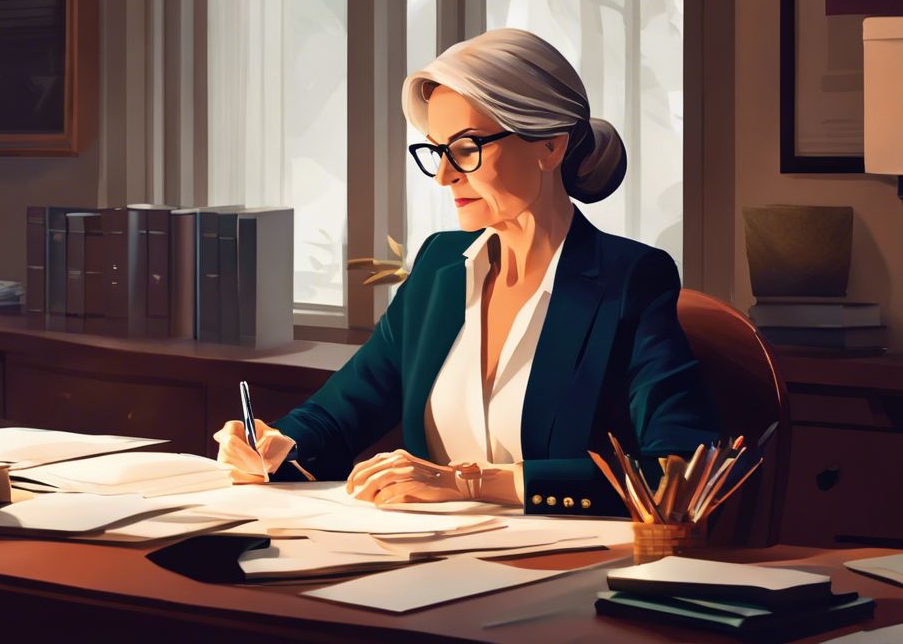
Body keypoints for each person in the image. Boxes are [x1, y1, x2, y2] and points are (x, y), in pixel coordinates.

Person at [213, 28, 719, 516]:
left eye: (467, 147)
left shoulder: (630, 279)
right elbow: (338, 415)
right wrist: (275, 446)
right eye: (436, 149)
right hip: (429, 565)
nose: (444, 174)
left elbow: (681, 472)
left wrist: (469, 482)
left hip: (560, 570)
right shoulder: (440, 267)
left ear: (550, 147)